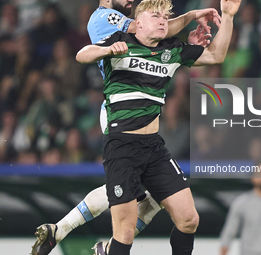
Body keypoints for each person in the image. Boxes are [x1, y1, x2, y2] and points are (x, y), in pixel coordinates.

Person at [31, 0, 221, 254]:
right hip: (120, 111)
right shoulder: (106, 18)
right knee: (129, 195)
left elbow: (162, 32)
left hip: (141, 115)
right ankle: (92, 239)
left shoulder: (141, 34)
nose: (132, 0)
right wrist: (194, 14)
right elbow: (157, 28)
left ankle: (64, 231)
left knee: (152, 196)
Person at [76, 0, 241, 254]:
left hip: (153, 148)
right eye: (156, 16)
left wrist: (228, 16)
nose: (163, 20)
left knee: (189, 219)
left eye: (166, 17)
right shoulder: (120, 40)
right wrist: (106, 51)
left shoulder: (171, 49)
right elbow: (82, 54)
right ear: (138, 23)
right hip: (121, 148)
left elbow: (216, 55)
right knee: (125, 234)